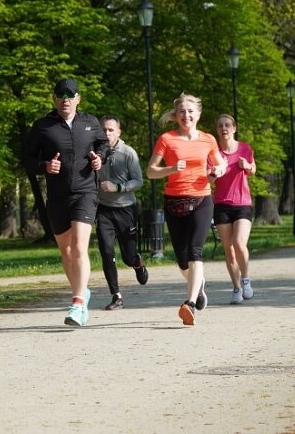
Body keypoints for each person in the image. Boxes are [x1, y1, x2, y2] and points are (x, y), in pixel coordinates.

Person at [22, 79, 108, 326]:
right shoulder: (43, 127)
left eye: (70, 95)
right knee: (66, 250)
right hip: (57, 196)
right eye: (61, 95)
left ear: (78, 99)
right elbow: (27, 159)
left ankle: (78, 303)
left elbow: (103, 145)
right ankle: (82, 291)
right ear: (54, 99)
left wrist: (99, 158)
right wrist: (45, 166)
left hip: (85, 192)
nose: (65, 99)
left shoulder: (90, 123)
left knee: (80, 246)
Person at [146, 93, 226, 326]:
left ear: (198, 114)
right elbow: (151, 171)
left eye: (190, 111)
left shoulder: (208, 139)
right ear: (176, 115)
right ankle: (198, 285)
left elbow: (220, 163)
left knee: (195, 251)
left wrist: (217, 171)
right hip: (174, 202)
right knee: (183, 261)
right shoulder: (166, 139)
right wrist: (170, 169)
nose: (186, 115)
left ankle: (189, 304)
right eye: (182, 111)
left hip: (201, 199)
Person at [95, 115, 148, 310]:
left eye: (110, 130)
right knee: (106, 251)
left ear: (118, 132)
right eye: (103, 130)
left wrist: (118, 187)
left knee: (128, 255)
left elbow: (138, 181)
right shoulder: (94, 153)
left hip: (126, 209)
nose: (107, 133)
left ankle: (137, 262)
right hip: (103, 210)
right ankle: (116, 295)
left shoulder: (128, 153)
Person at [210, 114, 256, 304]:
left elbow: (253, 170)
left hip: (242, 203)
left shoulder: (244, 148)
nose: (224, 128)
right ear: (217, 130)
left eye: (227, 125)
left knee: (239, 243)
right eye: (220, 125)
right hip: (221, 204)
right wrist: (214, 173)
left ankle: (246, 280)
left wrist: (247, 166)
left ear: (234, 128)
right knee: (228, 250)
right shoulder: (213, 153)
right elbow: (208, 179)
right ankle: (236, 288)